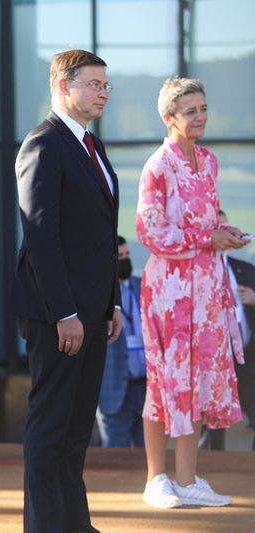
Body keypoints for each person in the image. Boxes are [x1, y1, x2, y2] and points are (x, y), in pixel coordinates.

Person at [13, 49, 122, 533]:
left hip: (93, 311)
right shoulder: (43, 144)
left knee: (77, 430)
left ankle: (74, 523)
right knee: (51, 427)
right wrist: (64, 312)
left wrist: (112, 301)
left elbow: (101, 238)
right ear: (64, 85)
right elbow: (41, 236)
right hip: (58, 314)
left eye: (106, 85)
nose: (102, 92)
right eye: (94, 84)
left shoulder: (91, 147)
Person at [136, 77, 249, 509]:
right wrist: (208, 238)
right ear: (169, 118)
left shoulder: (209, 161)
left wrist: (225, 233)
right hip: (169, 289)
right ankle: (155, 479)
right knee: (166, 380)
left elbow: (203, 223)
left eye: (203, 108)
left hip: (206, 286)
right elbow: (150, 232)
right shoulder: (157, 166)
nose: (200, 116)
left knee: (198, 379)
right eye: (190, 111)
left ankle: (187, 479)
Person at [96, 235, 147, 448]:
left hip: (146, 386)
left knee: (150, 461)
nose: (125, 260)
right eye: (120, 257)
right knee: (115, 458)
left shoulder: (143, 286)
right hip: (114, 387)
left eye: (127, 255)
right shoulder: (97, 293)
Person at [219, 211, 255, 451]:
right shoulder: (192, 271)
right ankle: (201, 475)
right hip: (214, 360)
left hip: (248, 357)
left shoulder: (245, 269)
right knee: (210, 426)